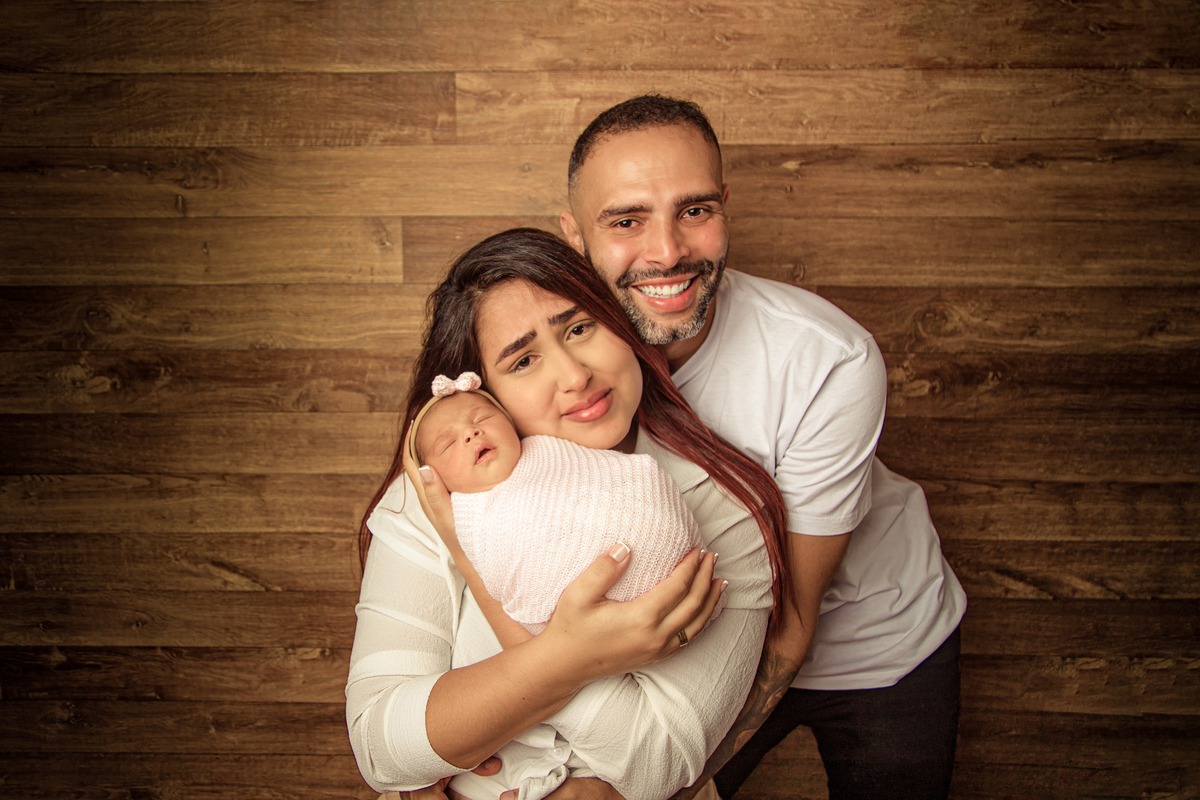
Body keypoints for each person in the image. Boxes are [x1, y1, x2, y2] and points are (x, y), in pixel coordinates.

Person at [559, 95, 968, 799]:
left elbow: (793, 624)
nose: (666, 251)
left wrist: (650, 787)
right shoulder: (553, 362)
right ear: (573, 237)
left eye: (695, 210)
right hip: (698, 654)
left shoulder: (830, 359)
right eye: (627, 220)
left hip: (874, 643)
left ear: (726, 206)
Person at [346, 228, 794, 800]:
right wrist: (568, 656)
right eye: (525, 359)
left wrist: (487, 706)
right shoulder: (433, 497)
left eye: (580, 328)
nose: (575, 375)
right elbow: (381, 746)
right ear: (484, 394)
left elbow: (661, 759)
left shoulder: (722, 505)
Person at [409, 372, 715, 636]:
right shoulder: (469, 519)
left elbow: (609, 476)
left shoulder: (546, 449)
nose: (471, 433)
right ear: (434, 478)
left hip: (675, 551)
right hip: (594, 620)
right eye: (449, 443)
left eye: (483, 418)